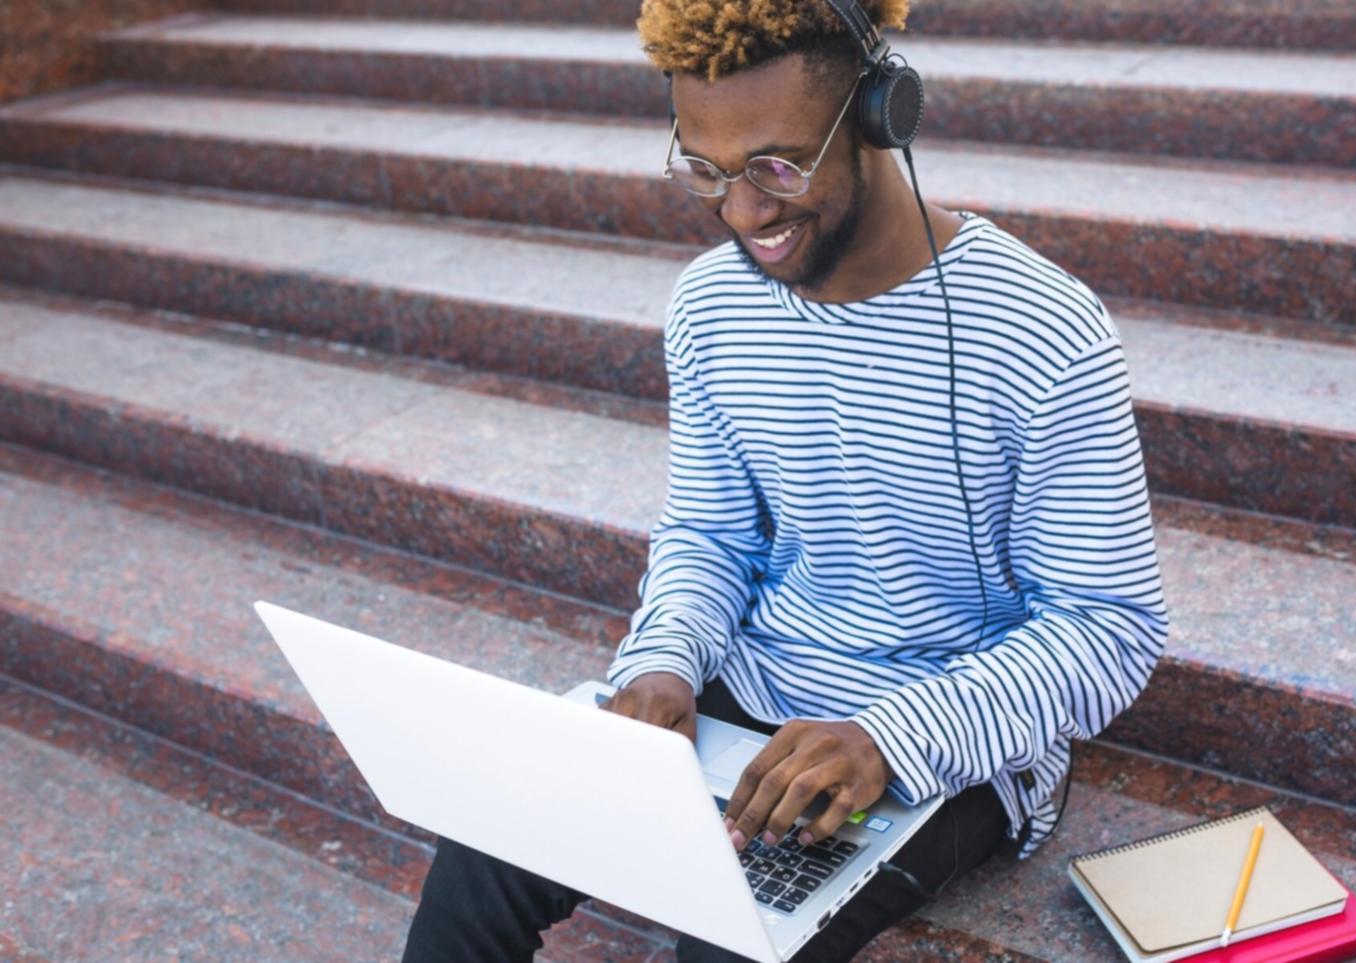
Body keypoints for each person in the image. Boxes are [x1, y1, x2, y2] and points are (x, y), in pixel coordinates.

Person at [402, 0, 1169, 959]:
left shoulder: (1042, 331)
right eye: (707, 172)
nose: (744, 212)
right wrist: (663, 662)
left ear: (880, 115)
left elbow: (1109, 624)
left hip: (950, 744)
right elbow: (710, 536)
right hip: (755, 681)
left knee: (734, 936)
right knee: (490, 836)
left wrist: (888, 737)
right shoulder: (712, 304)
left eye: (777, 164)